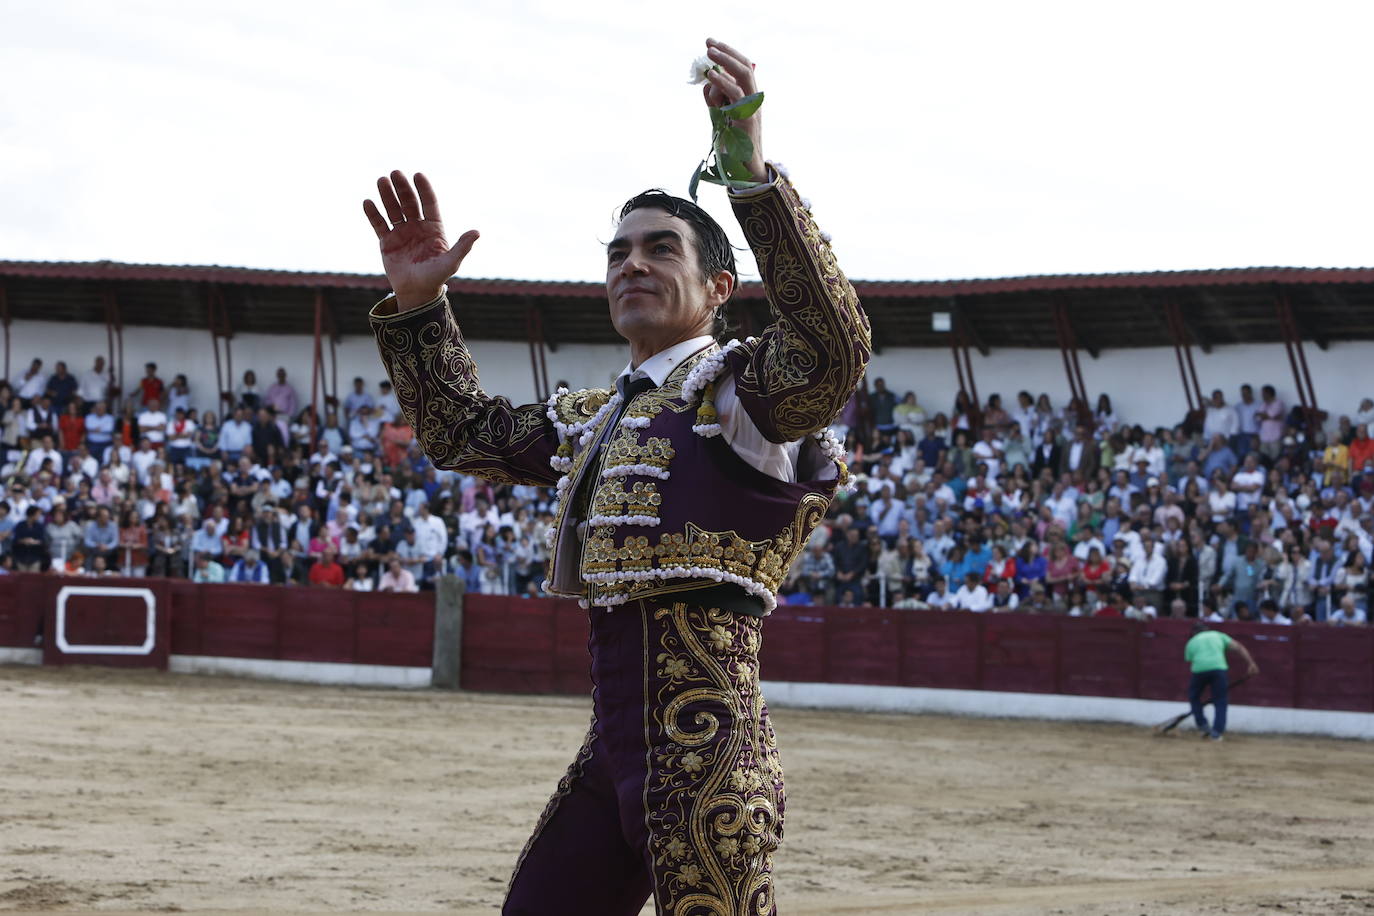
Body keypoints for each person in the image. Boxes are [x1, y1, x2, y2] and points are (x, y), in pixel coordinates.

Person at [361, 38, 868, 915]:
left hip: (710, 752)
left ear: (718, 286)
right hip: (613, 752)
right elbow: (463, 433)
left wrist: (749, 174)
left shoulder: (741, 391)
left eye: (659, 249)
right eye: (617, 252)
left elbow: (832, 349)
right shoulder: (596, 416)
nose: (630, 263)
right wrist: (418, 307)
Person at [1183, 622, 1259, 741]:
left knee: (1194, 697)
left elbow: (1190, 660)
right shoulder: (1218, 635)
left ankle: (1203, 725)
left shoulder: (1192, 641)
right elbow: (1238, 647)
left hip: (1199, 671)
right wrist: (1251, 663)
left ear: (1194, 633)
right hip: (1219, 669)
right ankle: (1216, 733)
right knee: (1220, 700)